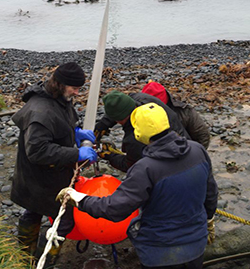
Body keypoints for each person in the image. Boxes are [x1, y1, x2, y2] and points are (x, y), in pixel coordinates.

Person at [61, 103, 218, 269]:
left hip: (160, 252)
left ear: (139, 133)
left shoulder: (145, 168)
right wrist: (209, 220)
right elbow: (211, 193)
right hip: (196, 244)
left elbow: (115, 208)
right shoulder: (198, 150)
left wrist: (80, 199)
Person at [10, 62, 97, 269]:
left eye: (79, 88)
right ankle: (43, 262)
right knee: (64, 221)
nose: (77, 92)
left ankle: (24, 257)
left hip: (41, 176)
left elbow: (61, 124)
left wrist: (74, 133)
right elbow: (38, 151)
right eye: (74, 88)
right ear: (59, 84)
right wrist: (77, 152)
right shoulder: (41, 111)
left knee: (33, 210)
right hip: (41, 176)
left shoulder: (59, 98)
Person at [95, 90, 190, 172]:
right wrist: (102, 125)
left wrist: (110, 155)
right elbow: (121, 106)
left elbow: (131, 166)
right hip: (186, 145)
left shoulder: (135, 137)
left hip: (174, 162)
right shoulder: (140, 98)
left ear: (118, 119)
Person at [141, 81, 210, 148]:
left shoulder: (184, 111)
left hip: (184, 151)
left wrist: (195, 154)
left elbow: (202, 135)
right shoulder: (138, 116)